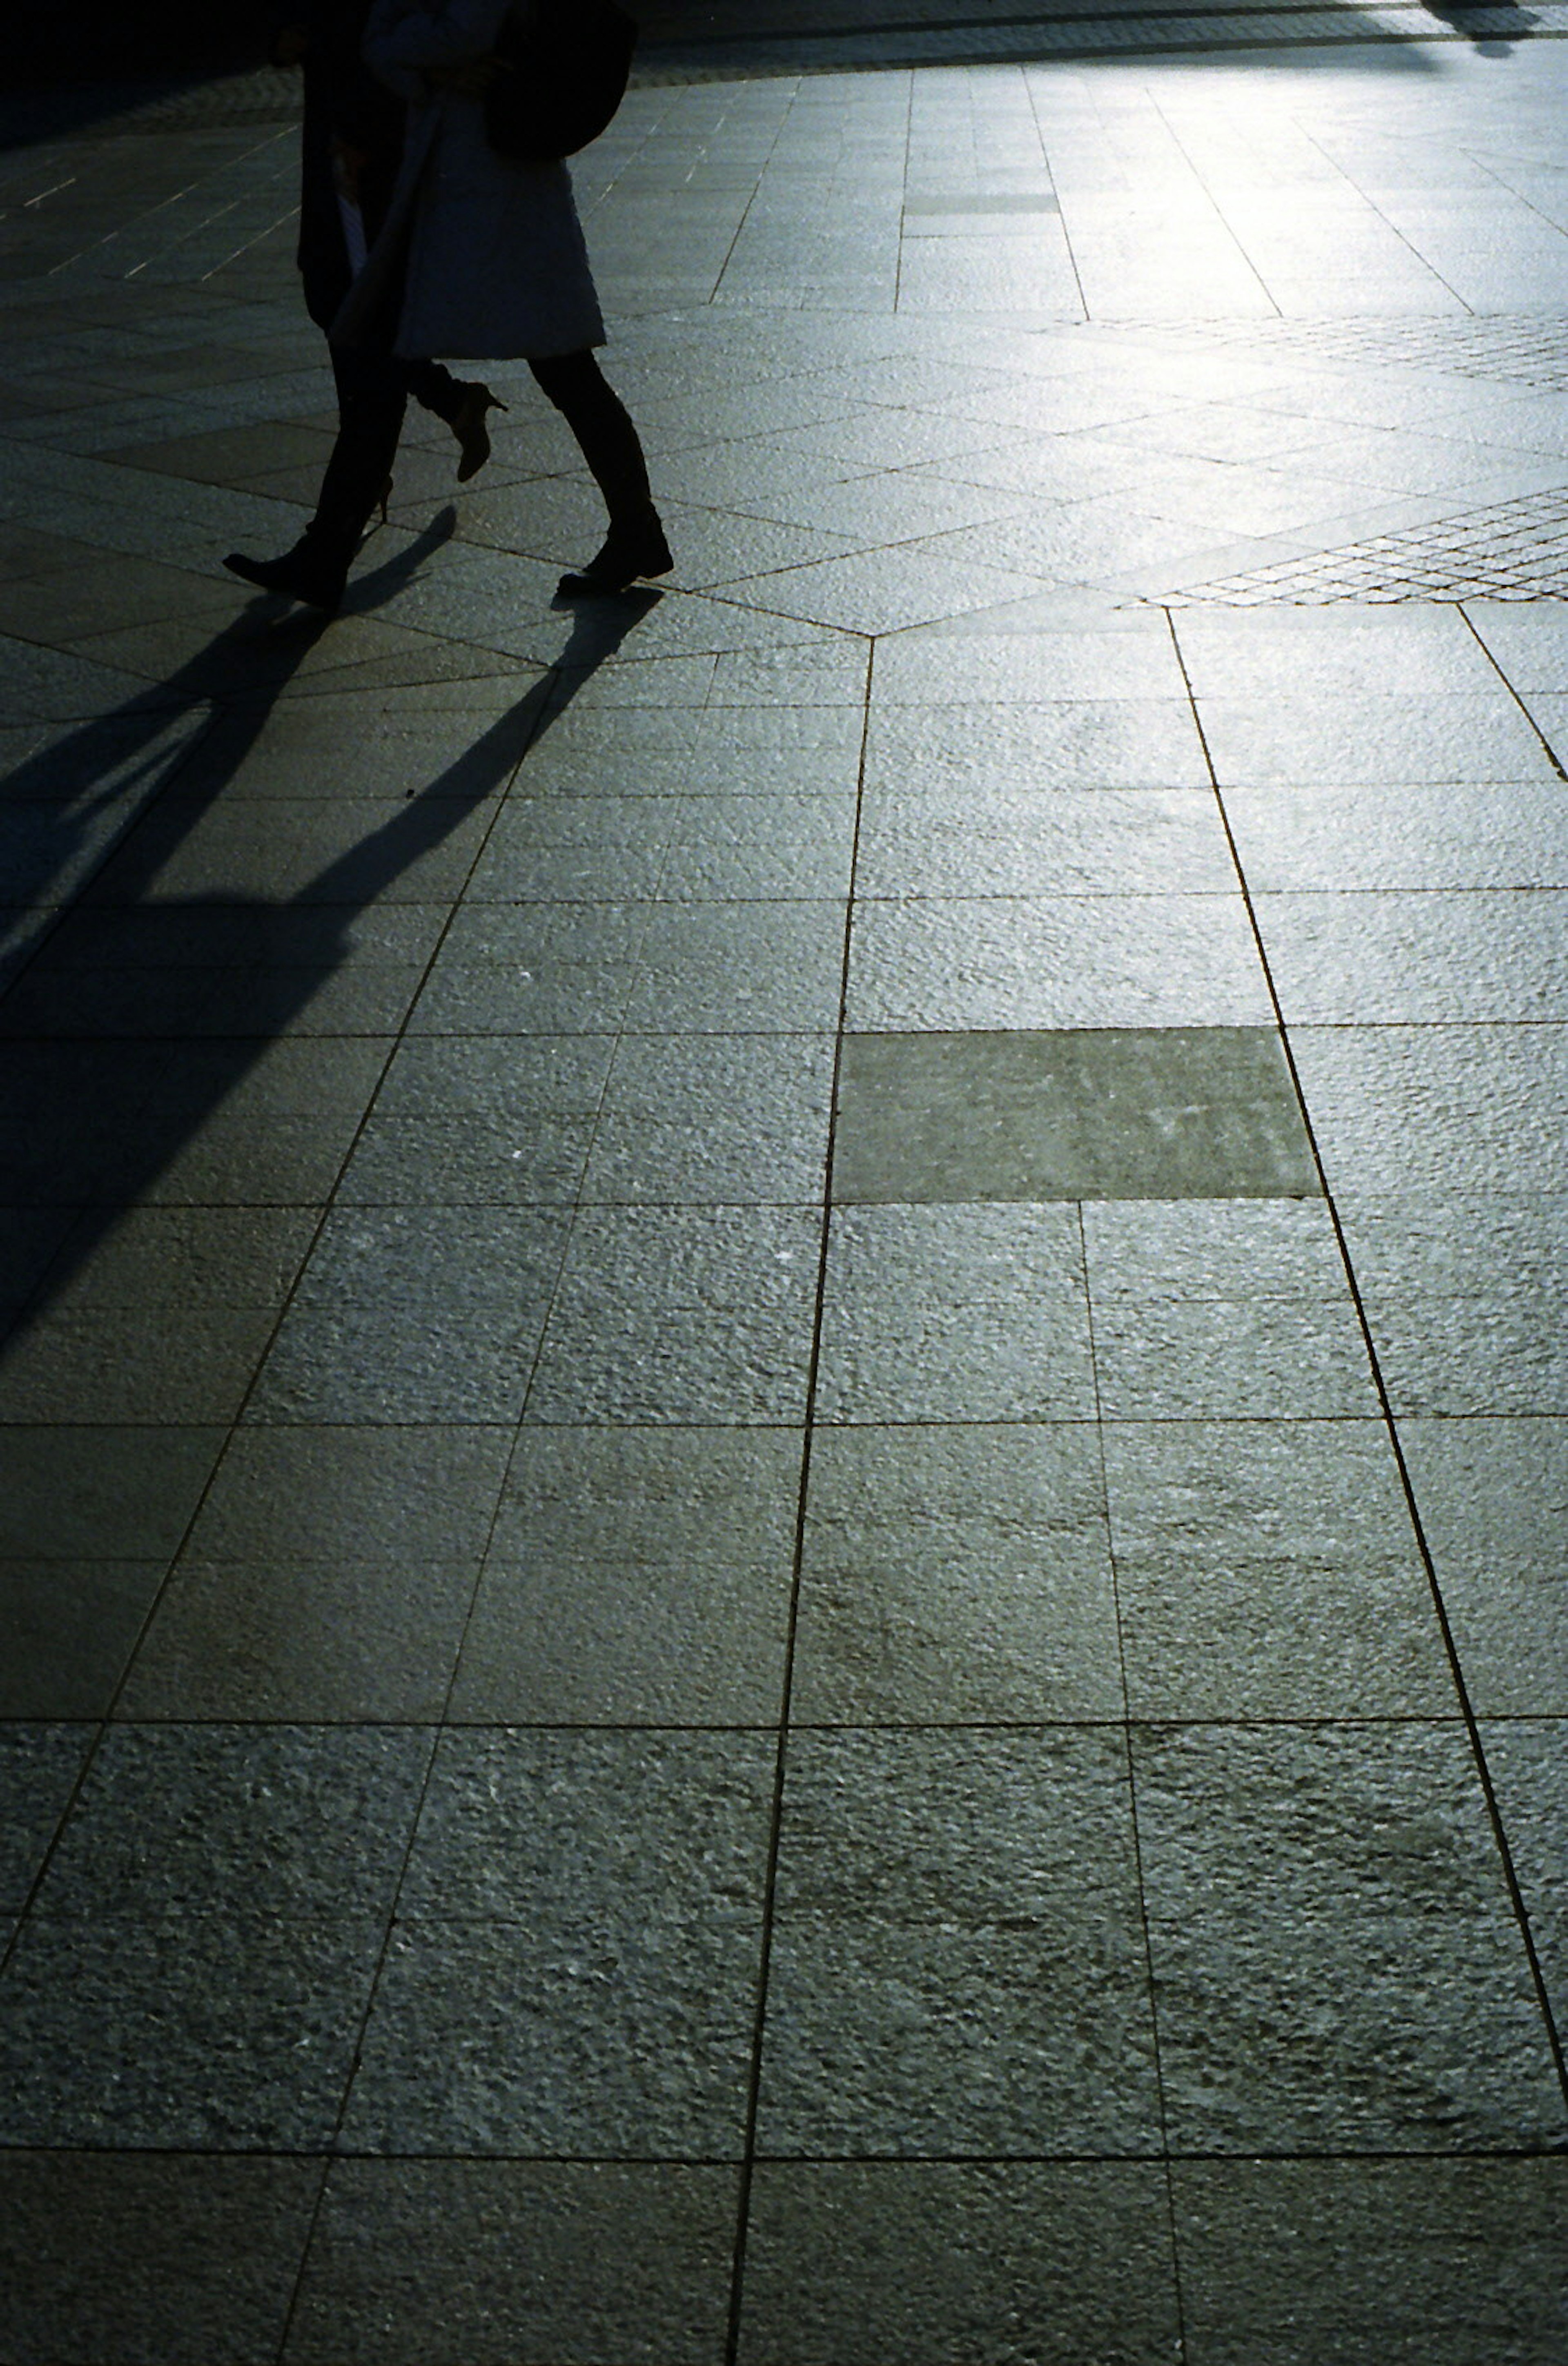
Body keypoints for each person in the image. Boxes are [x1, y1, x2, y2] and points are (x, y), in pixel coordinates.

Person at [345, 0, 671, 599]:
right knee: (562, 367)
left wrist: (403, 42)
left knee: (564, 366)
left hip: (496, 174)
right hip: (484, 172)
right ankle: (635, 529)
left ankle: (636, 529)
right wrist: (420, 62)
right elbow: (396, 43)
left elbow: (452, 30)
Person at [223, 1, 507, 613]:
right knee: (342, 310)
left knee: (365, 342)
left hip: (381, 156)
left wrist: (424, 77)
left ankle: (328, 549)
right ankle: (446, 402)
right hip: (337, 149)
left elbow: (435, 30)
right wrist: (284, 35)